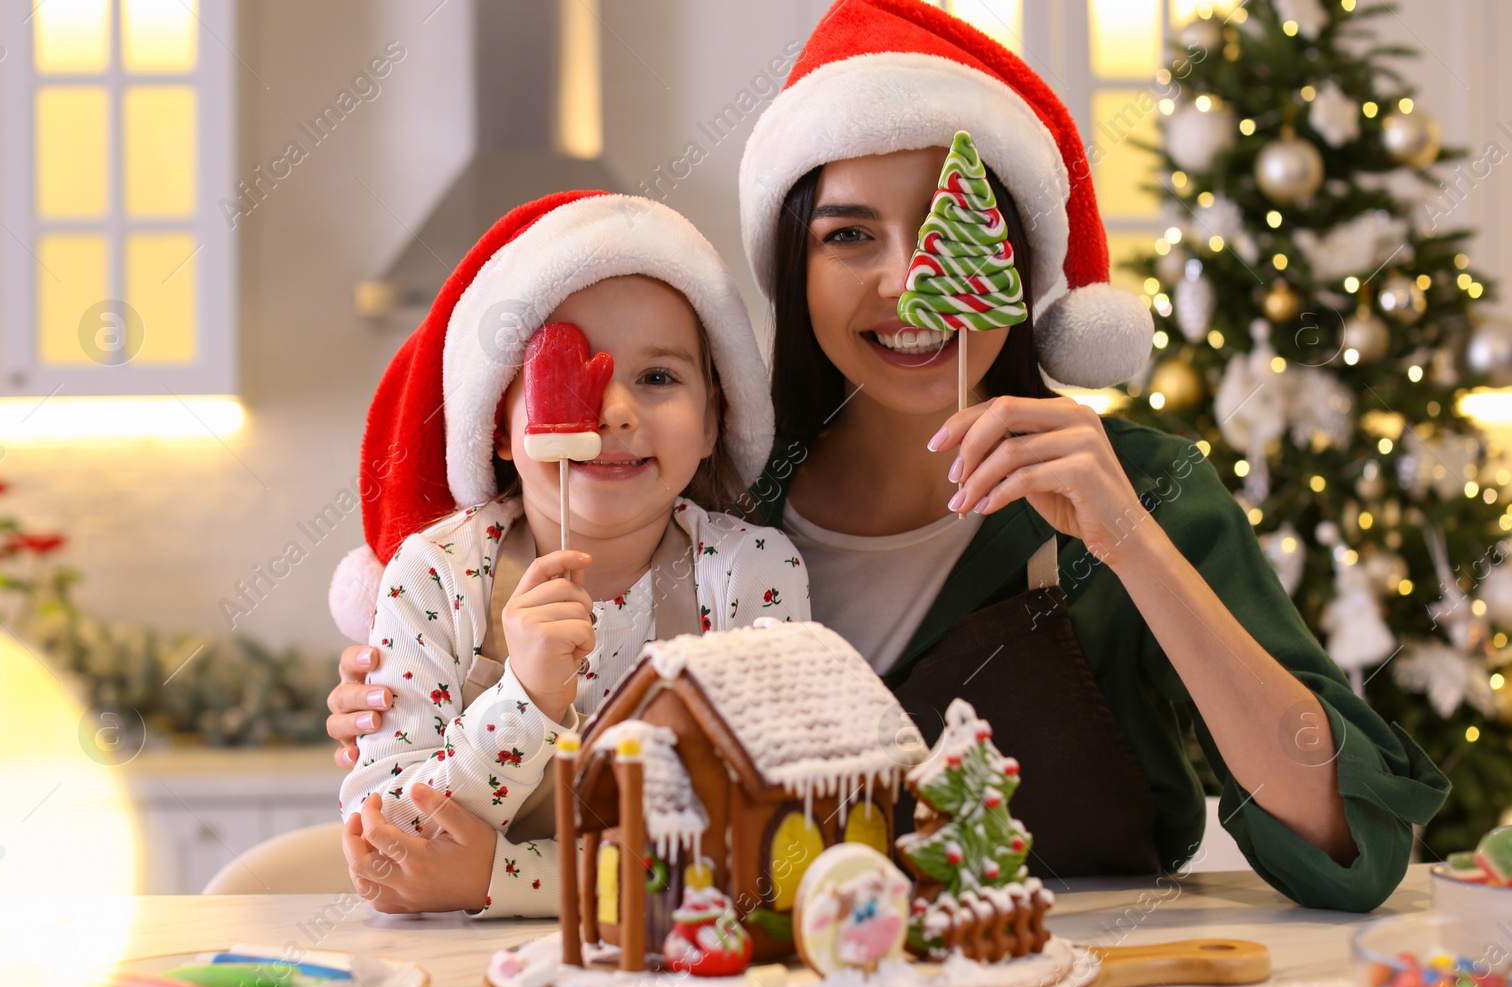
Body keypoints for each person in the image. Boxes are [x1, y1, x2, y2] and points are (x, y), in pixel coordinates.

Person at [329, 0, 1447, 912]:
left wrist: (1129, 541)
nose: (908, 280)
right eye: (849, 233)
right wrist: (438, 684)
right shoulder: (710, 511)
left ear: (1020, 261)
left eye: (952, 228)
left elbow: (1344, 845)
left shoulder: (1141, 491)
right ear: (789, 268)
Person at [331, 191, 809, 916]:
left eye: (658, 377)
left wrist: (505, 878)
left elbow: (774, 848)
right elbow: (386, 841)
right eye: (567, 374)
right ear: (499, 423)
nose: (615, 410)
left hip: (687, 985)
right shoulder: (438, 576)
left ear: (713, 419)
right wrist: (525, 699)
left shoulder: (751, 577)